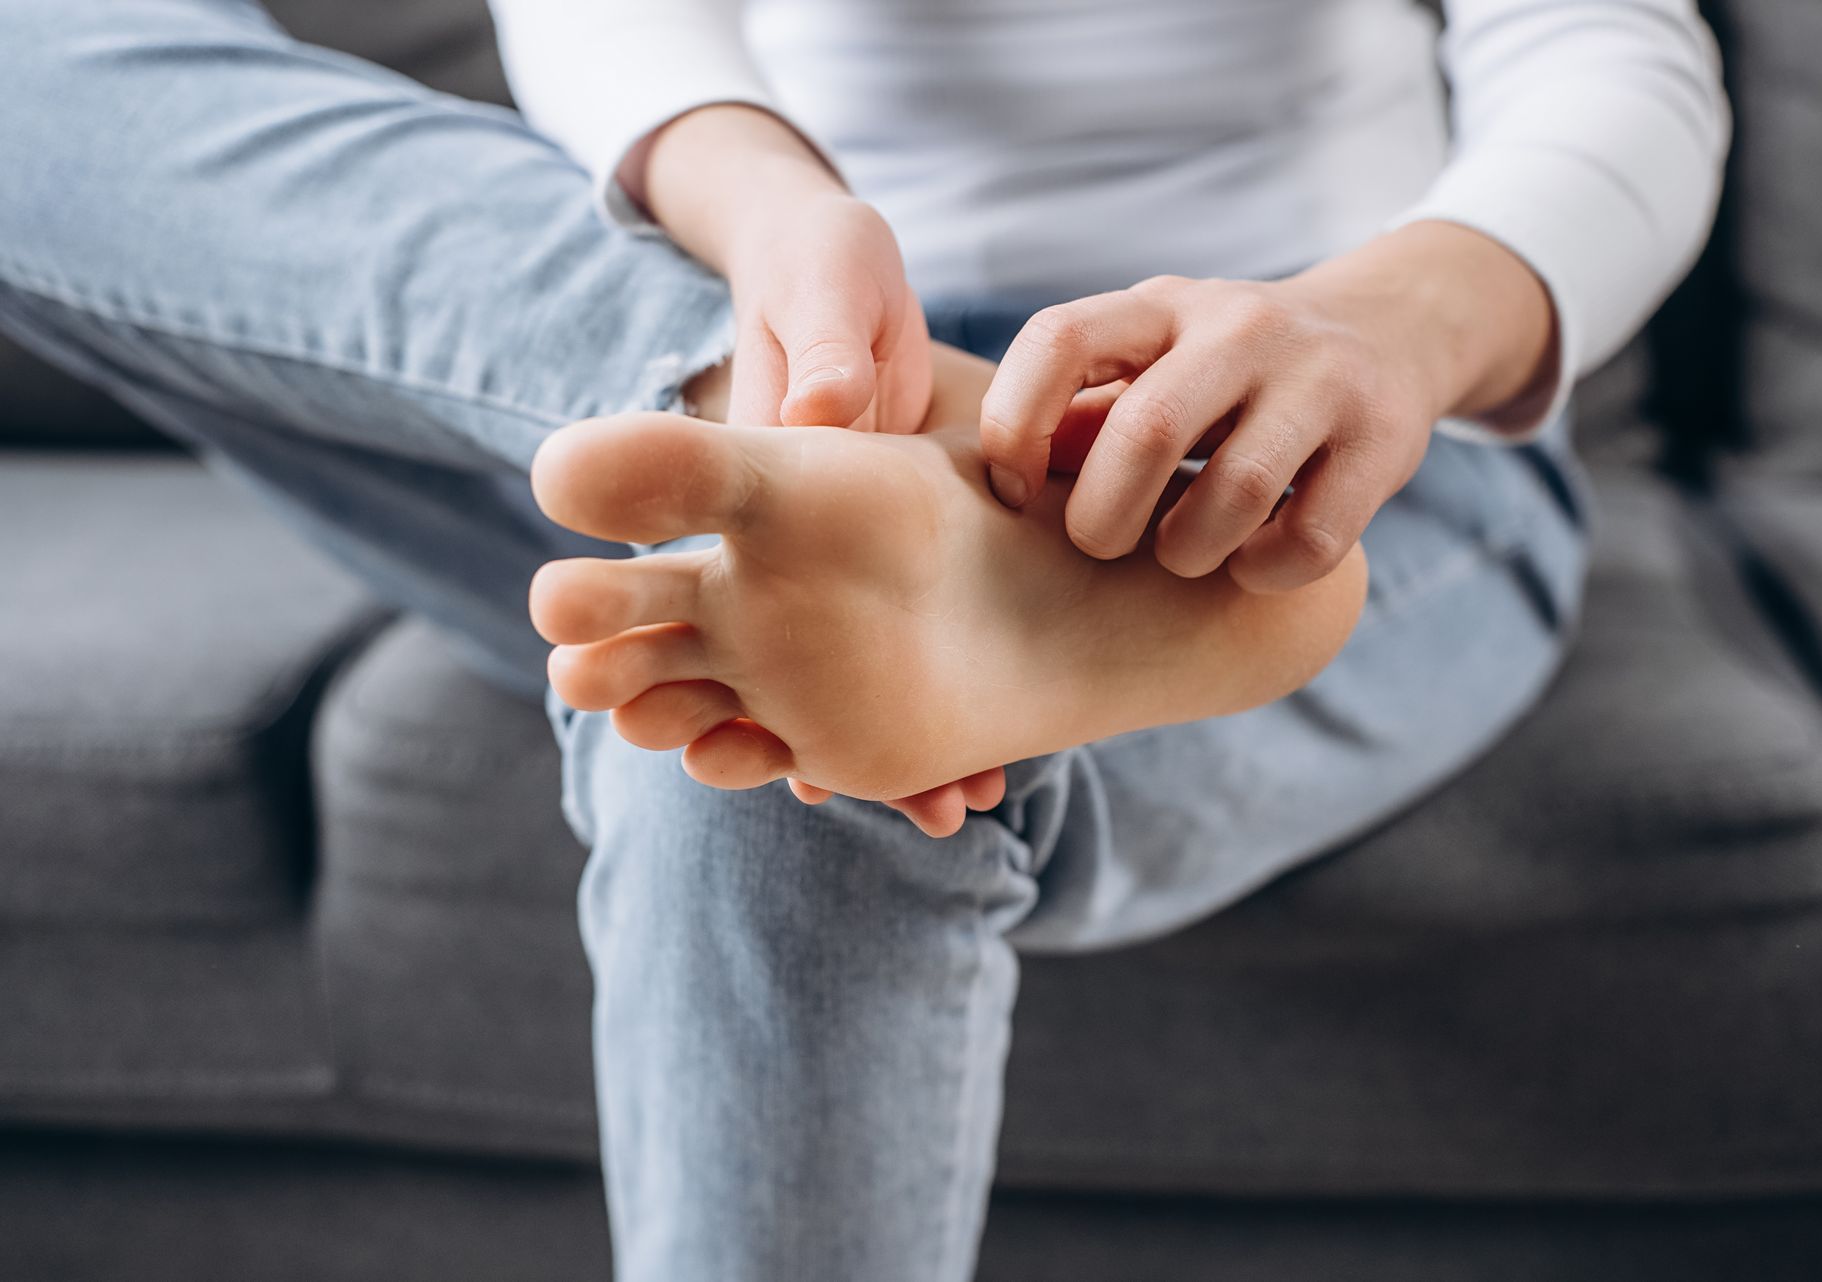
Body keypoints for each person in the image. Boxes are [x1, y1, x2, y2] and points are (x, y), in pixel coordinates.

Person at [0, 1, 1728, 1279]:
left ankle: (884, 496)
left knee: (769, 736)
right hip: (798, 319)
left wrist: (1371, 331)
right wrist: (769, 232)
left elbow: (1612, 49)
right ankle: (765, 411)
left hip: (1323, 434)